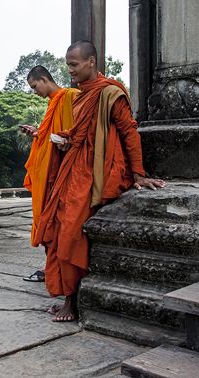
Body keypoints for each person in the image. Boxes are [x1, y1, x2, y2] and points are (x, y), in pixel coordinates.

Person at [36, 41, 166, 322]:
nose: (69, 70)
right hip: (76, 166)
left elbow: (129, 132)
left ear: (91, 62)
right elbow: (83, 130)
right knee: (56, 222)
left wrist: (139, 175)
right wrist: (66, 137)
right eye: (68, 64)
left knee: (70, 228)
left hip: (99, 170)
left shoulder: (109, 93)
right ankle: (68, 295)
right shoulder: (81, 96)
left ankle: (72, 301)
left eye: (74, 64)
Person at [20, 65, 79, 283]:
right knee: (48, 222)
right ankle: (52, 269)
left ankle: (59, 271)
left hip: (64, 173)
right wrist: (37, 134)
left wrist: (66, 140)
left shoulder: (70, 97)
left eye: (35, 86)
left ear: (45, 79)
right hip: (49, 173)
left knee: (57, 224)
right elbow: (52, 136)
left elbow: (79, 131)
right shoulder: (53, 104)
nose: (35, 91)